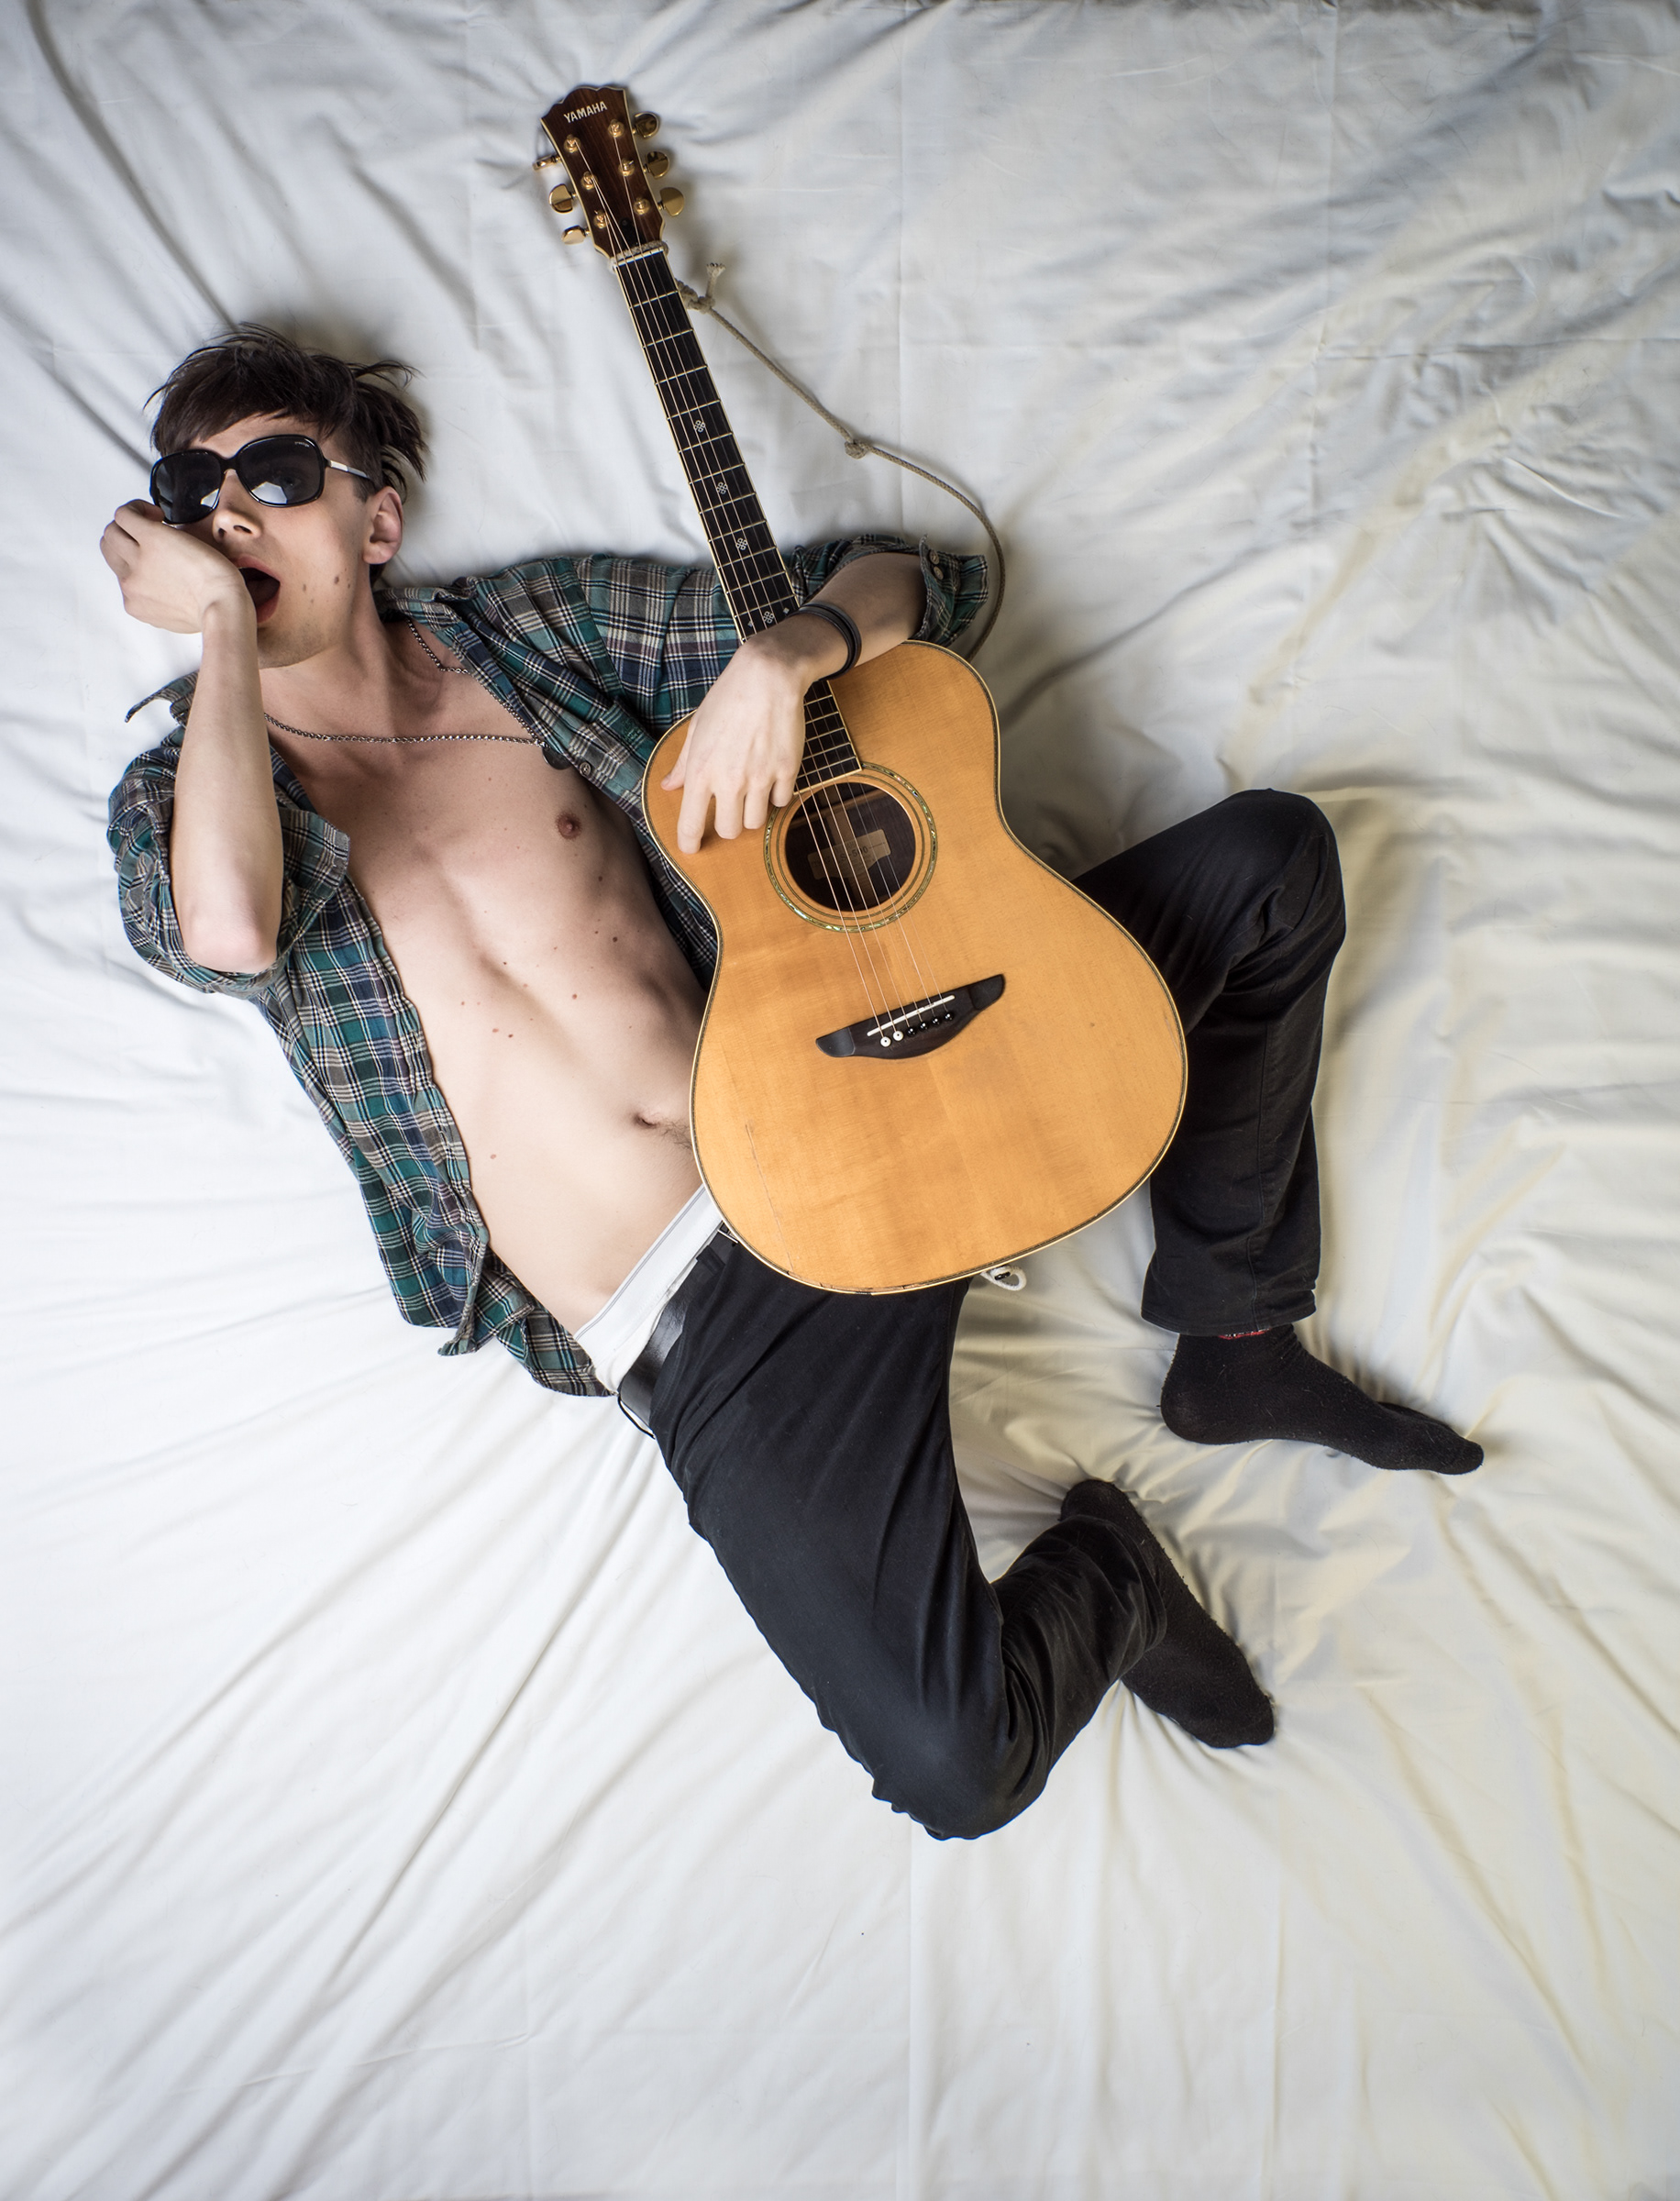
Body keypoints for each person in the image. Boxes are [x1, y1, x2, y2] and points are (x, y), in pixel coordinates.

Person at [103, 326, 1481, 1841]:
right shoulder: (183, 797)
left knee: (1270, 863)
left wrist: (789, 653)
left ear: (377, 521)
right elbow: (230, 932)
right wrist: (223, 636)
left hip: (847, 1122)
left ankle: (1236, 1333)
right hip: (703, 1331)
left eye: (276, 475)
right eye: (193, 492)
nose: (229, 518)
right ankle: (1119, 1577)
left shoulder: (528, 637)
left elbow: (919, 582)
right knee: (956, 1771)